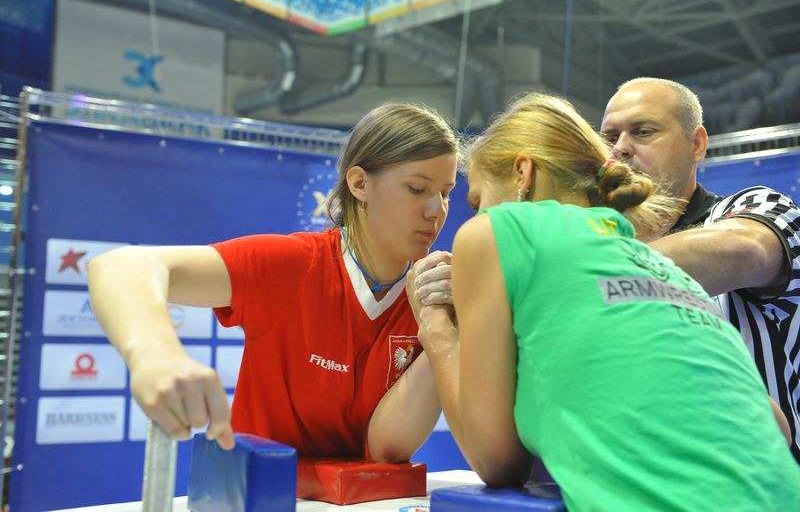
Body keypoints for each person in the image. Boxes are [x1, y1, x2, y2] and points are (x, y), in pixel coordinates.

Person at [413, 93, 800, 510]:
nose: (475, 218)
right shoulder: (657, 265)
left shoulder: (495, 232)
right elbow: (775, 425)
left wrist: (436, 327)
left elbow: (496, 462)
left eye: (477, 202)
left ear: (523, 173)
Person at [88, 102, 459, 461]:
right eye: (417, 188)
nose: (436, 211)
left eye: (446, 193)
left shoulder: (431, 299)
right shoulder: (295, 265)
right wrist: (156, 358)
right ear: (360, 184)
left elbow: (385, 450)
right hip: (253, 498)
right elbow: (119, 266)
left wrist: (443, 331)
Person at [600, 77, 800, 461]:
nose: (621, 148)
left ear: (697, 144)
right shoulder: (597, 239)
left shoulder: (754, 207)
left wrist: (568, 268)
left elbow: (745, 249)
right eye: (609, 138)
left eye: (643, 132)